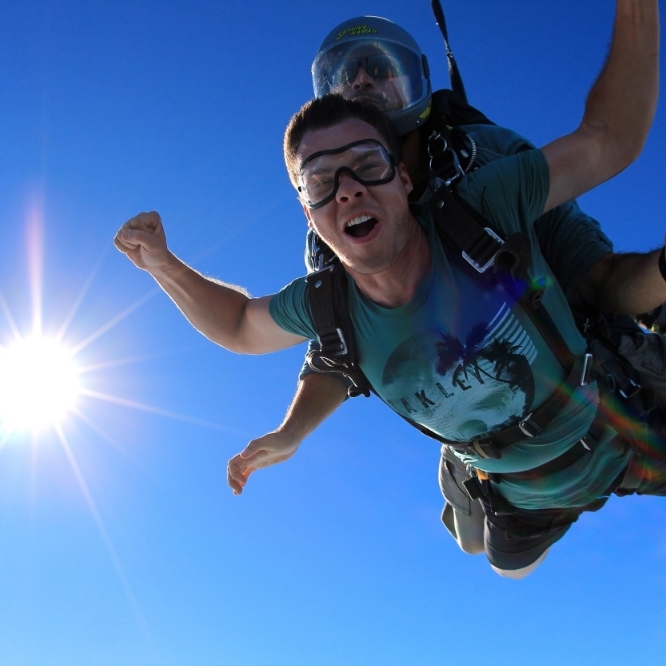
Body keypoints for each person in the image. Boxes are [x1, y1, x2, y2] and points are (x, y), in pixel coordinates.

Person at [115, 0, 662, 577]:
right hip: (509, 471)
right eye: (323, 180)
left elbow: (606, 198)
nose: (364, 83)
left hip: (592, 396)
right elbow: (325, 346)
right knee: (496, 557)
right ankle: (470, 470)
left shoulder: (489, 177)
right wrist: (289, 429)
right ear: (306, 206)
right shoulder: (330, 265)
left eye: (380, 68)